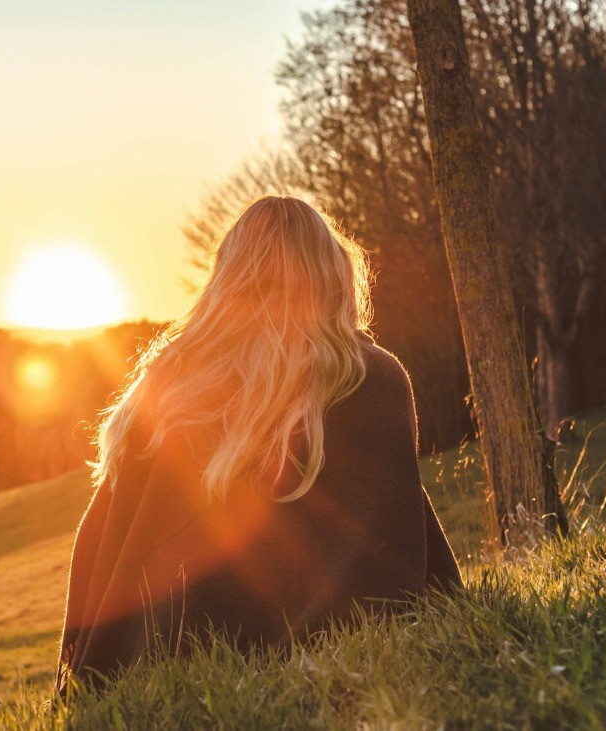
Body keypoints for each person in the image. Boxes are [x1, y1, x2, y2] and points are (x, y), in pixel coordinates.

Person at [56, 196, 462, 691]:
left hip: (151, 661)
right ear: (332, 275)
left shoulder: (166, 383)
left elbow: (95, 541)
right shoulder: (364, 375)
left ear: (226, 279)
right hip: (273, 653)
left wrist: (80, 672)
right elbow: (382, 542)